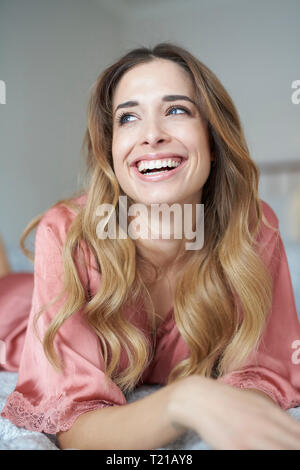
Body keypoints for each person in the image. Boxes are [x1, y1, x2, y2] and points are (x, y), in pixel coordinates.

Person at [1, 42, 300, 451]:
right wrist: (185, 399)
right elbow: (75, 427)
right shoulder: (68, 232)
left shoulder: (254, 228)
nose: (152, 135)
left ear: (212, 141)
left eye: (176, 110)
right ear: (112, 151)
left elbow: (263, 375)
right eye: (128, 118)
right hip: (13, 318)